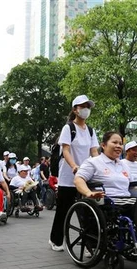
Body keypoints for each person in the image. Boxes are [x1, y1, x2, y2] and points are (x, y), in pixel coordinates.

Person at [49, 94, 99, 252]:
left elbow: (94, 151)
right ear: (75, 110)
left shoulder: (90, 131)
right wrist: (74, 166)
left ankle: (91, 244)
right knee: (63, 210)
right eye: (83, 106)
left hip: (85, 177)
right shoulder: (68, 128)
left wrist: (100, 166)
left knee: (87, 211)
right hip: (68, 177)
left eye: (88, 106)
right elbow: (65, 150)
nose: (86, 109)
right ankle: (55, 240)